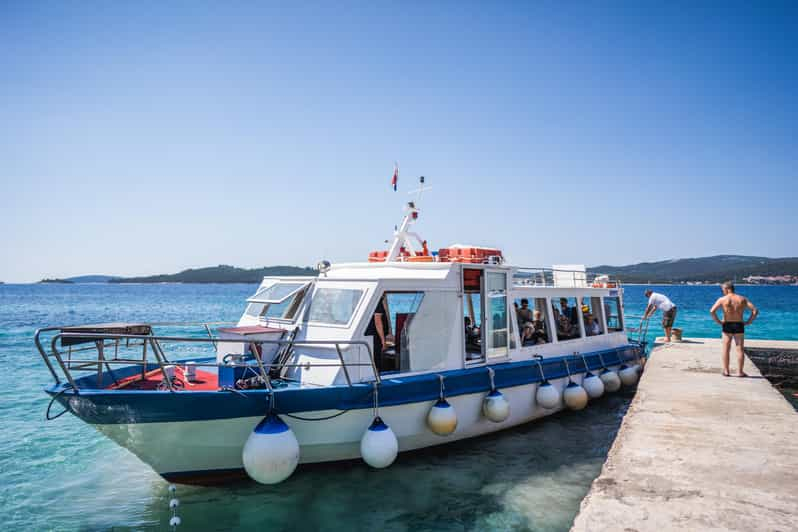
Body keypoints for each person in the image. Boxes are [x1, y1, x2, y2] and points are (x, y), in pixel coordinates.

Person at [710, 282, 758, 377]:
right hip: (739, 324)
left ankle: (726, 371)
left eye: (723, 289)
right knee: (739, 348)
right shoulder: (742, 299)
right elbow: (755, 311)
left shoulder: (722, 299)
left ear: (727, 289)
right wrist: (749, 321)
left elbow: (712, 311)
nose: (722, 291)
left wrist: (719, 322)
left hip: (727, 324)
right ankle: (740, 372)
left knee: (726, 349)